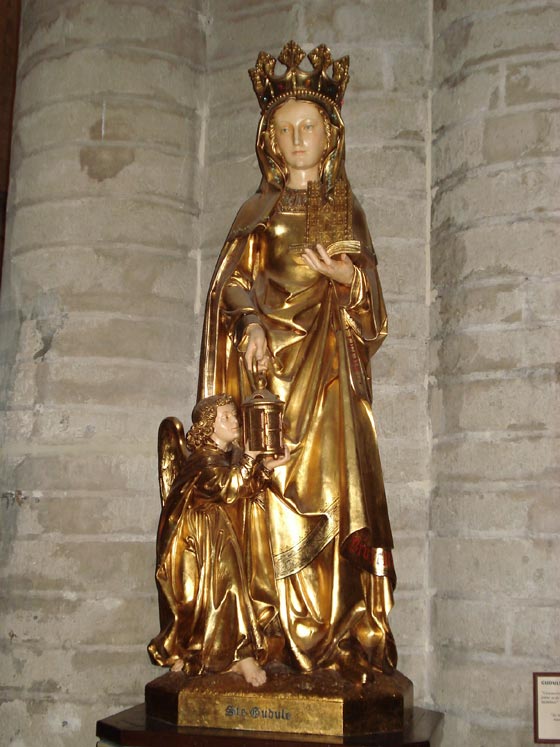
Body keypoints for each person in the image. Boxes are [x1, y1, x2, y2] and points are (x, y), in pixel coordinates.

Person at [198, 42, 397, 679]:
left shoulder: (348, 209)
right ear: (270, 140)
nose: (296, 137)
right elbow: (232, 281)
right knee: (266, 493)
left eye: (307, 125)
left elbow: (372, 305)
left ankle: (336, 635)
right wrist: (251, 321)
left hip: (330, 374)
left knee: (328, 496)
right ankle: (269, 633)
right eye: (284, 129)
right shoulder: (255, 211)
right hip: (268, 377)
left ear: (329, 135)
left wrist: (348, 275)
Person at [148, 394, 288, 687]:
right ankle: (197, 652)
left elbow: (244, 488)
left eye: (234, 415)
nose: (235, 420)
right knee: (202, 598)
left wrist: (266, 468)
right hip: (194, 543)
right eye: (226, 417)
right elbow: (227, 487)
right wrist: (251, 458)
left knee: (228, 591)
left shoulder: (225, 456)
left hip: (218, 536)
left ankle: (238, 654)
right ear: (209, 426)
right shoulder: (203, 459)